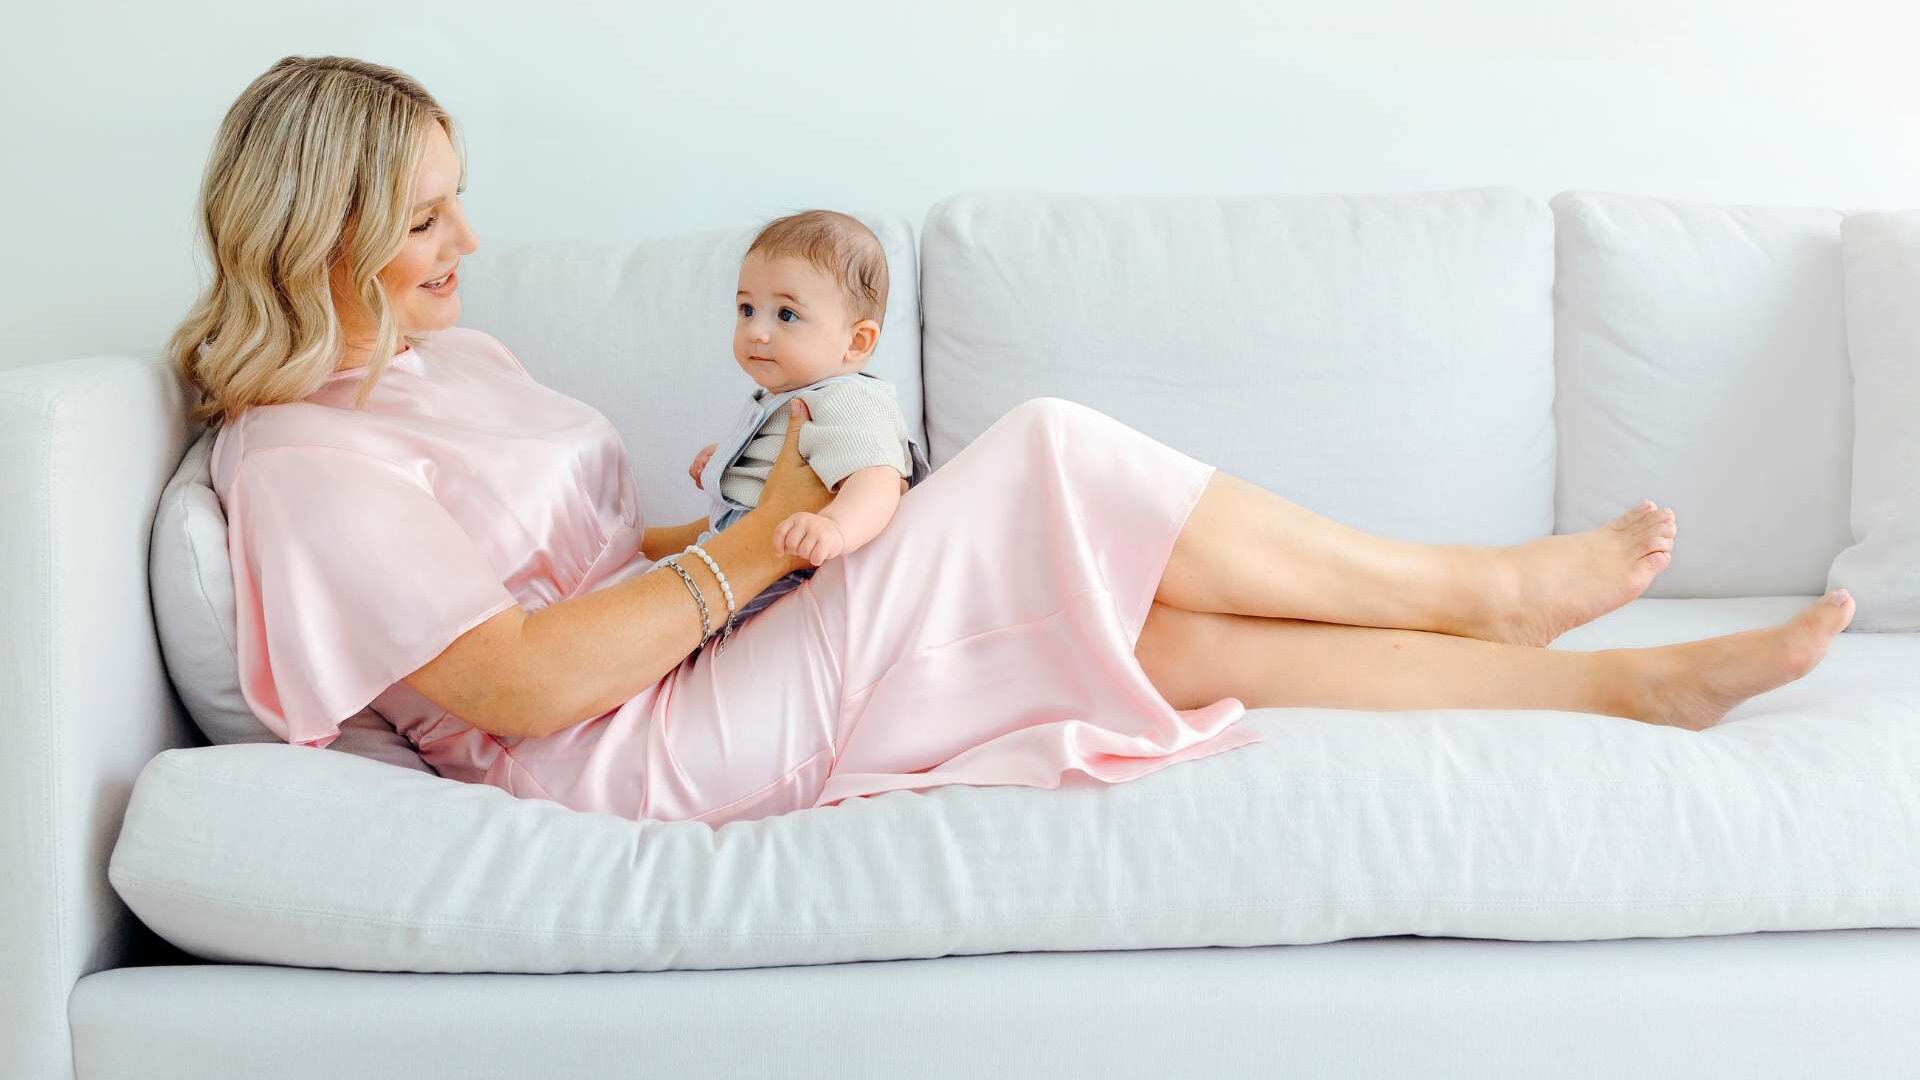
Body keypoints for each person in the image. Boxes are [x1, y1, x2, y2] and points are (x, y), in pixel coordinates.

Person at [171, 56, 1856, 829]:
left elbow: (603, 569)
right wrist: (762, 548)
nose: (467, 243)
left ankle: (1622, 686)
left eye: (461, 203)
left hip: (697, 650)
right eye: (426, 218)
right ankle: (1481, 590)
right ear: (317, 233)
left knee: (1155, 628)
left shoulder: (444, 366)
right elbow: (524, 684)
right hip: (624, 753)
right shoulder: (301, 466)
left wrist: (749, 544)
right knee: (1049, 449)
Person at [683, 208, 933, 637]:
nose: (756, 331)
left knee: (674, 621)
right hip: (742, 554)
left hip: (790, 578)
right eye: (746, 309)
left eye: (785, 315)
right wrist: (724, 461)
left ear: (856, 342)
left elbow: (878, 479)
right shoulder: (783, 397)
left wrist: (834, 527)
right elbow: (774, 464)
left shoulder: (848, 398)